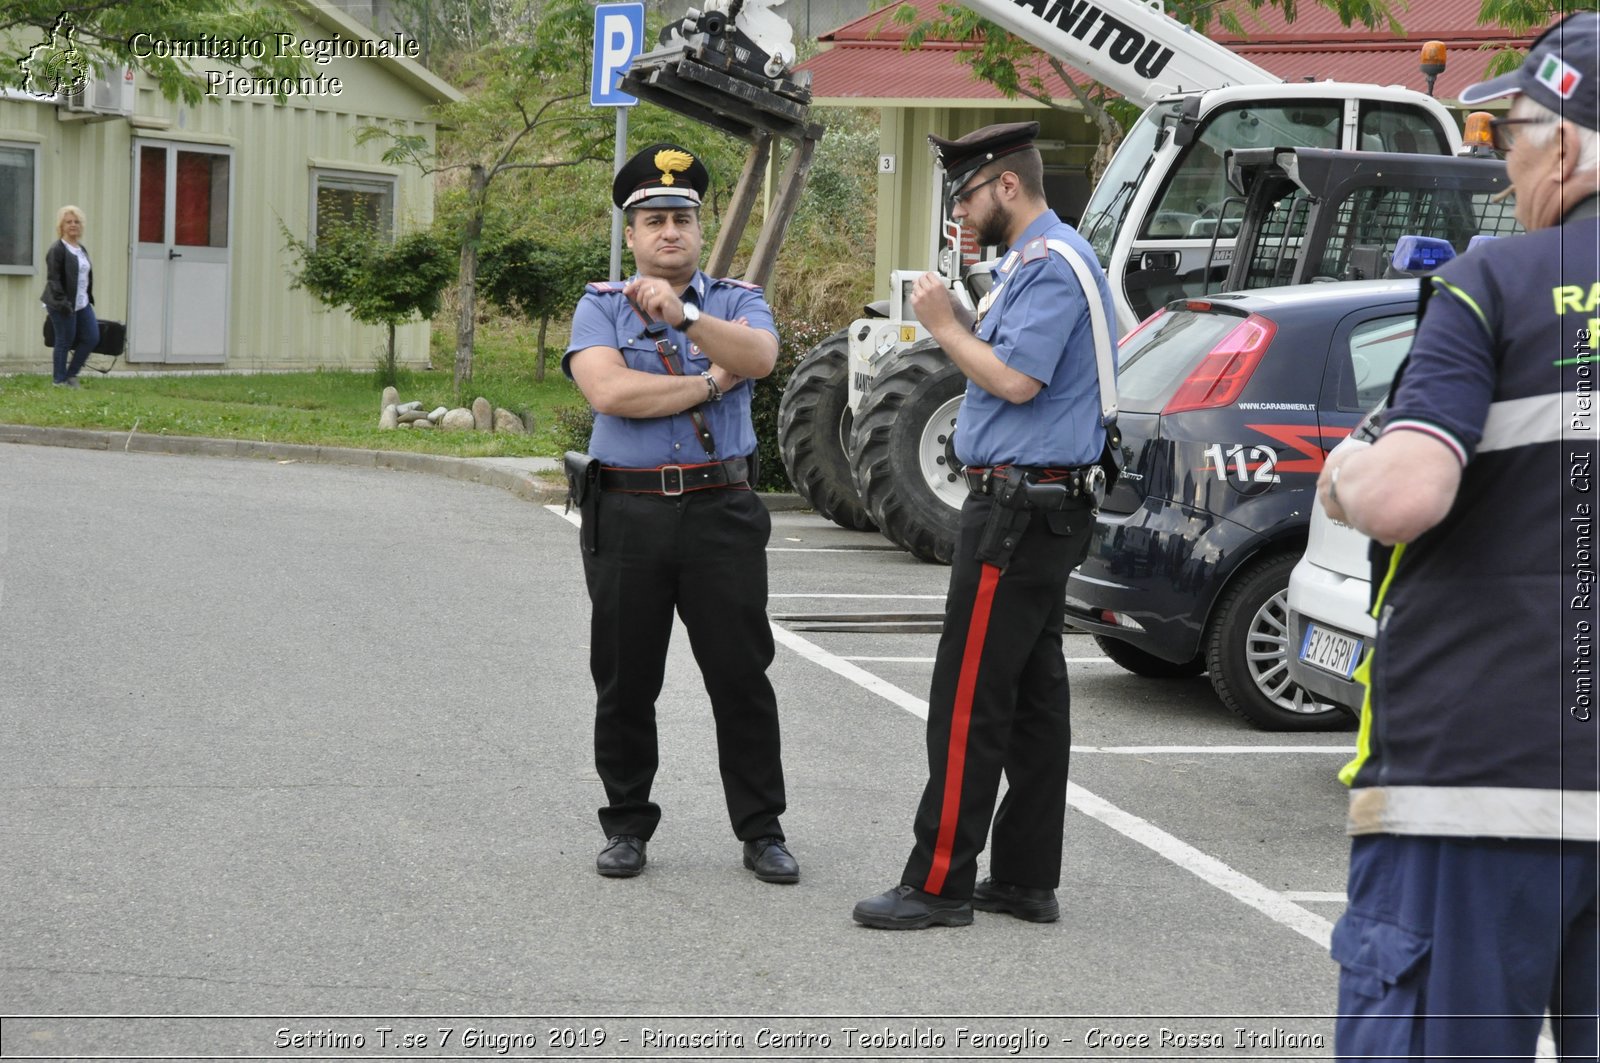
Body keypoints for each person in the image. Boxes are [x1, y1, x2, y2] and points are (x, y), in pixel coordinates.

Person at [1317, 12, 1600, 1059]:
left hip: (1480, 784)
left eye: (1511, 132)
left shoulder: (1497, 282)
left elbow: (1404, 498)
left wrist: (1349, 468)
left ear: (1564, 143)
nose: (1506, 162)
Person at [853, 122, 1116, 929]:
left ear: (1007, 185)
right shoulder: (1041, 263)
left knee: (967, 695)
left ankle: (939, 881)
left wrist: (942, 324)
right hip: (1036, 504)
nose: (959, 213)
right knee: (1033, 699)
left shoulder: (1048, 266)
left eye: (966, 195)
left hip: (1018, 510)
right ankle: (1026, 877)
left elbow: (1015, 379)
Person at [561, 142, 798, 884]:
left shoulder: (734, 300)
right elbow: (610, 394)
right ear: (630, 235)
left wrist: (687, 317)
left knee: (740, 675)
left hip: (720, 510)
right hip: (629, 513)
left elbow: (758, 358)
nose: (670, 232)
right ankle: (626, 825)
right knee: (626, 678)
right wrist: (707, 385)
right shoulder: (600, 305)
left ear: (701, 230)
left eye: (682, 219)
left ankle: (762, 830)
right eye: (654, 220)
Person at [40, 205, 99, 388]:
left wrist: (86, 298)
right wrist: (63, 303)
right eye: (69, 222)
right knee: (64, 340)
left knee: (91, 337)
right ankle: (58, 380)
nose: (73, 225)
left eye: (76, 222)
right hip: (61, 303)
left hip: (82, 303)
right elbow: (54, 279)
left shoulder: (81, 249)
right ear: (61, 226)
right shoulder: (57, 249)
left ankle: (71, 375)